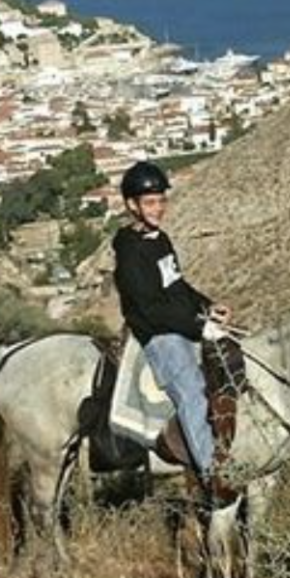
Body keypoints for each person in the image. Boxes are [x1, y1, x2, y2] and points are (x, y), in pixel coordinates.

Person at [112, 160, 233, 483]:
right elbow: (150, 308)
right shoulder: (129, 252)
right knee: (191, 390)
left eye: (161, 201)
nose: (159, 208)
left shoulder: (160, 240)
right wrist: (198, 327)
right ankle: (212, 474)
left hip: (180, 322)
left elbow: (176, 285)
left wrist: (208, 306)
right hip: (158, 334)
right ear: (132, 205)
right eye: (150, 202)